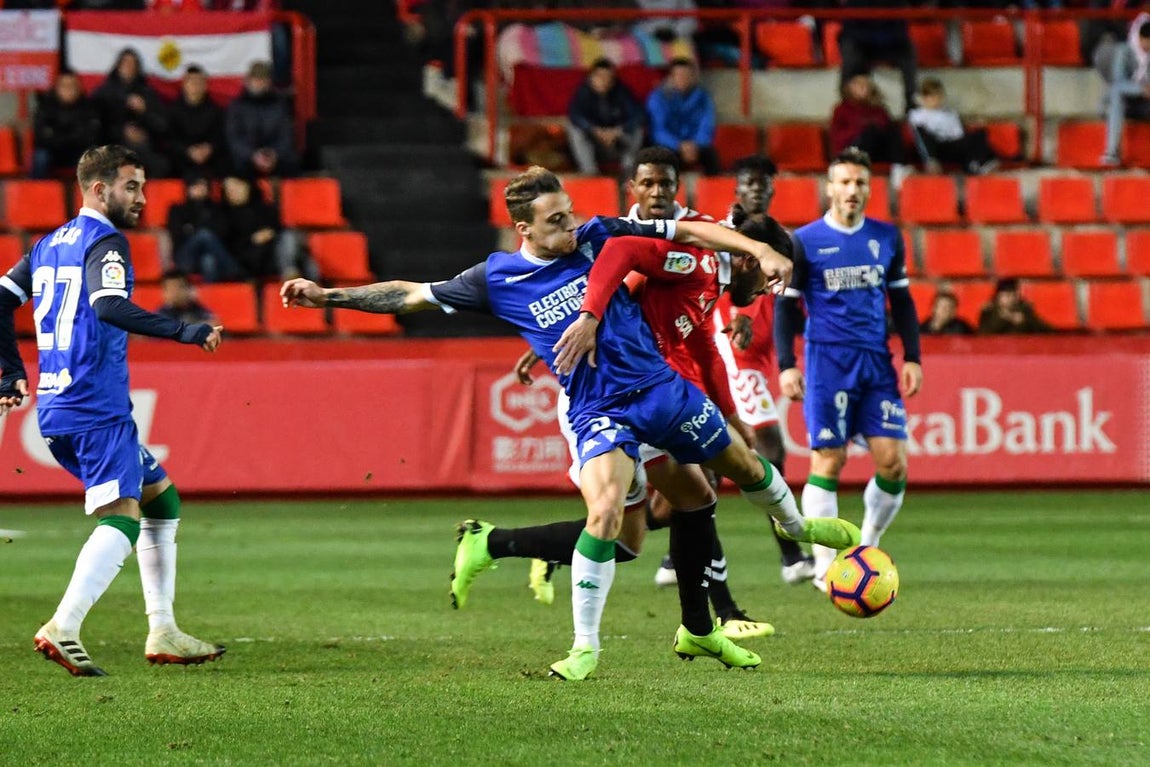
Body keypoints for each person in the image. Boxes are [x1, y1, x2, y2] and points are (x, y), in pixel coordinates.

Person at [281, 166, 859, 681]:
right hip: (597, 409)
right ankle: (585, 647)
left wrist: (757, 250)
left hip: (659, 389)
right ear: (524, 230)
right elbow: (409, 295)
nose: (571, 226)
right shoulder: (497, 278)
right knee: (607, 515)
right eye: (556, 220)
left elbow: (686, 231)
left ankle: (786, 541)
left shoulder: (597, 235)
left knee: (722, 476)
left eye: (571, 213)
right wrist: (329, 295)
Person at [0, 144, 225, 676]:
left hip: (58, 404)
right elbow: (108, 305)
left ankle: (164, 629)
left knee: (160, 498)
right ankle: (64, 625)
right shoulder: (107, 241)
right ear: (99, 190)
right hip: (94, 404)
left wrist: (10, 370)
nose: (142, 198)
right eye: (132, 186)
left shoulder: (47, 243)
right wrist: (184, 330)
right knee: (121, 517)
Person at [774, 146, 923, 591]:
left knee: (893, 463)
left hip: (876, 362)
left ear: (869, 188)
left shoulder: (887, 237)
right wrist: (786, 364)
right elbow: (786, 309)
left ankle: (867, 547)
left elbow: (903, 301)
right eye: (843, 182)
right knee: (829, 458)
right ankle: (823, 566)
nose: (851, 190)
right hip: (827, 361)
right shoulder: (805, 240)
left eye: (859, 182)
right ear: (829, 187)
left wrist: (913, 355)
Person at [707, 155, 816, 585]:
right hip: (733, 343)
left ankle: (680, 556)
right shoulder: (726, 230)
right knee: (769, 445)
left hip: (765, 345)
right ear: (736, 187)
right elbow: (722, 280)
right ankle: (791, 555)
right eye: (747, 182)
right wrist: (739, 313)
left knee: (711, 453)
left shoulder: (778, 236)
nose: (755, 189)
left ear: (773, 187)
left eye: (762, 182)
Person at [221, 175, 317, 281]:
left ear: (246, 186)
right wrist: (253, 239)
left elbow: (278, 227)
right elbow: (229, 246)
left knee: (291, 238)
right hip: (252, 259)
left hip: (275, 250)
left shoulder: (264, 208)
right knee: (295, 246)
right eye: (229, 190)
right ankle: (302, 278)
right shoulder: (225, 215)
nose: (233, 192)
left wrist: (270, 233)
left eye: (236, 187)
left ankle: (294, 274)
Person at [92, 49, 170, 177]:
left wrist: (144, 112)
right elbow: (96, 124)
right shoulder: (104, 93)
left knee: (162, 165)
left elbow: (162, 125)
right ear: (118, 66)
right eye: (126, 63)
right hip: (112, 146)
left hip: (144, 148)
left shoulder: (148, 93)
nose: (129, 67)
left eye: (133, 64)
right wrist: (122, 131)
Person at [836, 0, 917, 116]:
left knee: (908, 50)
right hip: (862, 43)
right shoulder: (855, 2)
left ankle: (911, 102)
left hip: (889, 42)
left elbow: (901, 28)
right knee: (851, 54)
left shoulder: (897, 2)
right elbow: (849, 28)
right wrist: (873, 38)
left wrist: (883, 38)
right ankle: (846, 104)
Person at [830, 73, 912, 188]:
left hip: (876, 150)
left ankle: (898, 169)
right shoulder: (841, 110)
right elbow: (838, 138)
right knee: (869, 132)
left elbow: (886, 129)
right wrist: (861, 128)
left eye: (865, 84)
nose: (862, 87)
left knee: (893, 130)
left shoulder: (878, 109)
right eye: (857, 84)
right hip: (853, 150)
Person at [566, 58, 645, 176]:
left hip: (617, 142)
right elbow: (575, 116)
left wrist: (618, 131)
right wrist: (595, 130)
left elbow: (638, 115)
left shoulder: (621, 91)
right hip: (595, 143)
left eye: (608, 77)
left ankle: (628, 171)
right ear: (591, 78)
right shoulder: (583, 92)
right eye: (599, 76)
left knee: (638, 129)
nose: (604, 81)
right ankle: (590, 172)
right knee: (573, 128)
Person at [225, 60, 300, 178]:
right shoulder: (237, 106)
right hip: (247, 158)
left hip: (276, 157)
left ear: (269, 82)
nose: (259, 83)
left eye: (263, 79)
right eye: (256, 79)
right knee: (235, 168)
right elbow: (234, 138)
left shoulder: (280, 105)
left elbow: (287, 135)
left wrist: (274, 154)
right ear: (248, 81)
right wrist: (253, 155)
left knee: (292, 165)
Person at [908, 77, 998, 175]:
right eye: (931, 96)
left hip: (950, 146)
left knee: (980, 134)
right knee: (920, 130)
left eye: (938, 95)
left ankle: (974, 165)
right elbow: (918, 136)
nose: (935, 99)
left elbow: (958, 135)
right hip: (934, 148)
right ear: (924, 97)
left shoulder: (950, 114)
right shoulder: (916, 115)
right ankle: (931, 162)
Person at [646, 57, 720, 175]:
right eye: (679, 75)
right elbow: (658, 130)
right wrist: (679, 145)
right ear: (671, 77)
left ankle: (715, 191)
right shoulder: (658, 97)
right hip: (670, 145)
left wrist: (695, 145)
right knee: (663, 159)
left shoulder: (703, 98)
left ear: (693, 77)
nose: (683, 79)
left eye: (687, 75)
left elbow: (707, 126)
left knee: (711, 156)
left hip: (696, 145)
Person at [168, 172, 244, 282]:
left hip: (210, 254)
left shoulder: (217, 208)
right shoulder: (177, 209)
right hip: (185, 257)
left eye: (203, 185)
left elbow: (224, 232)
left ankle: (211, 295)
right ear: (188, 188)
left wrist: (192, 229)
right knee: (204, 235)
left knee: (208, 260)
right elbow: (177, 234)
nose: (200, 189)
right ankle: (234, 270)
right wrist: (201, 230)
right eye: (196, 185)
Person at [31, 70, 103, 180]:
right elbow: (41, 137)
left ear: (79, 88)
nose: (68, 90)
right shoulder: (45, 107)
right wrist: (72, 136)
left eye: (72, 86)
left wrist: (57, 135)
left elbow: (90, 136)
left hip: (78, 153)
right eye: (64, 86)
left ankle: (91, 194)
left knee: (94, 156)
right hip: (53, 152)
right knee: (40, 157)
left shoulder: (88, 108)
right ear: (56, 88)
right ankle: (36, 193)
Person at [1100, 13, 1150, 166]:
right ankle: (1111, 153)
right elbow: (1117, 83)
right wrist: (1141, 89)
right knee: (1117, 95)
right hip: (1123, 103)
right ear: (1140, 38)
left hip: (1145, 105)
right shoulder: (1124, 51)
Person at [167, 65, 228, 179]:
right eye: (191, 81)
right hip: (182, 159)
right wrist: (188, 151)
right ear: (184, 85)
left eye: (199, 82)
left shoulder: (215, 110)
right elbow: (170, 138)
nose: (195, 85)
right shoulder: (173, 110)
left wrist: (209, 148)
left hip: (210, 158)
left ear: (205, 85)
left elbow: (220, 135)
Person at [976, 278, 1052, 334]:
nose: (1011, 298)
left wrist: (1025, 321)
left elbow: (1043, 329)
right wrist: (1006, 318)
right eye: (1007, 295)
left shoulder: (1024, 308)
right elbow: (983, 334)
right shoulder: (989, 310)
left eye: (1014, 295)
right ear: (998, 297)